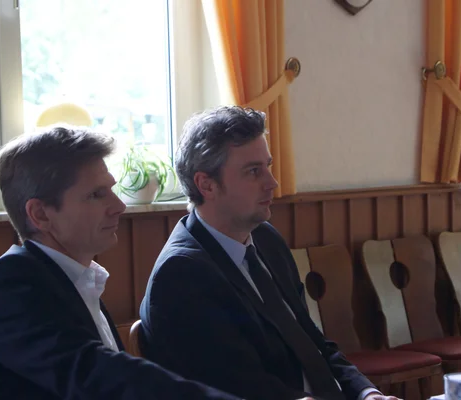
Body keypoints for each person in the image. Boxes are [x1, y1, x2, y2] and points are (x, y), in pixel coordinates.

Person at [0, 126, 241, 400]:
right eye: (96, 194)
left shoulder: (72, 279)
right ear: (40, 214)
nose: (119, 206)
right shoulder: (11, 287)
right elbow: (100, 377)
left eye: (111, 190)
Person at [140, 106, 399, 400]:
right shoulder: (181, 274)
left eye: (268, 166)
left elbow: (311, 341)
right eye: (253, 171)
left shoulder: (265, 240)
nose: (272, 182)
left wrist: (366, 392)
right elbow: (231, 384)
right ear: (206, 184)